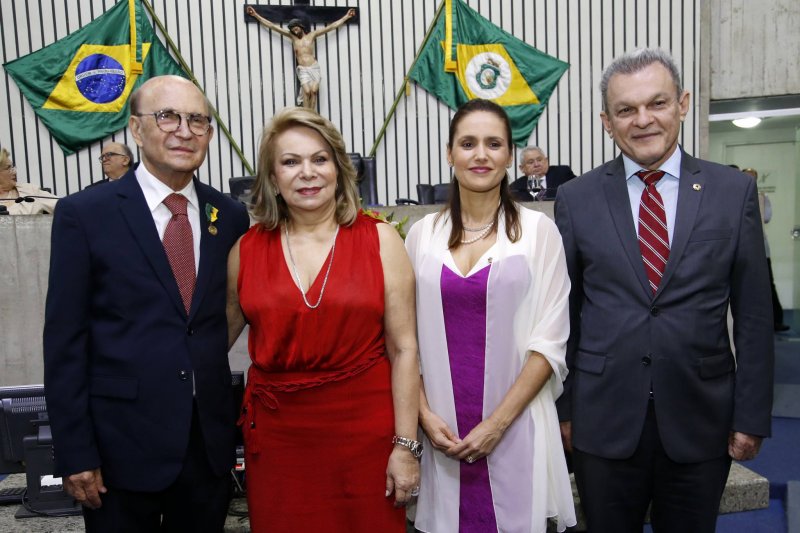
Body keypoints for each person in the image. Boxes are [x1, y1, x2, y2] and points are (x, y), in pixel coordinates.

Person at [554, 48, 774, 533]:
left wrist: (751, 415)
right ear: (606, 122)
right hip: (602, 420)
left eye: (657, 103)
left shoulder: (731, 192)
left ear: (683, 103)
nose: (643, 120)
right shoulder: (576, 199)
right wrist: (564, 411)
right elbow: (563, 314)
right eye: (626, 110)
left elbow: (755, 313)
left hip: (701, 418)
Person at [43, 75, 250, 532]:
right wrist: (76, 452)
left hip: (206, 448)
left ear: (210, 134)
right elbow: (65, 342)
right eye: (167, 116)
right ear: (136, 130)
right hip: (119, 450)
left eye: (198, 120)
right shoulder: (85, 214)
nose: (184, 130)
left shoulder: (230, 216)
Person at [226, 106, 420, 532]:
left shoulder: (380, 240)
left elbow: (404, 349)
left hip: (365, 433)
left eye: (319, 159)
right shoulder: (246, 251)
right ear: (272, 178)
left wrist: (406, 447)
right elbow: (207, 343)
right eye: (291, 162)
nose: (307, 173)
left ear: (338, 168)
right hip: (278, 440)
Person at [405, 99, 576, 533]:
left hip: (514, 427)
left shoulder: (539, 233)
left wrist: (495, 426)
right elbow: (402, 341)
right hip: (442, 434)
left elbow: (550, 341)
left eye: (493, 143)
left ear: (509, 155)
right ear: (450, 154)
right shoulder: (422, 237)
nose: (480, 154)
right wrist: (423, 415)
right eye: (468, 143)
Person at [246, 6, 356, 110]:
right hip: (303, 69)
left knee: (313, 91)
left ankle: (312, 115)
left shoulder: (312, 35)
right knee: (307, 92)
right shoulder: (293, 38)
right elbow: (272, 26)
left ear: (301, 26)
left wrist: (347, 16)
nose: (295, 30)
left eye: (296, 28)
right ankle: (306, 113)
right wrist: (256, 15)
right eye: (293, 29)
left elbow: (331, 27)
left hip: (314, 67)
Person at [742, 167, 790, 332]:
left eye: (752, 177)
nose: (750, 180)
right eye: (746, 177)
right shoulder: (733, 195)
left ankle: (776, 320)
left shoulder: (762, 198)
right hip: (740, 249)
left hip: (761, 248)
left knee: (767, 284)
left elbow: (767, 217)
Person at [0, 148, 58, 214]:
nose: (15, 172)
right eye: (8, 168)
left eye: (12, 167)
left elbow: (64, 206)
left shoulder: (30, 191)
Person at [509, 146, 575, 201]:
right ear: (522, 168)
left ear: (546, 161)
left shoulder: (562, 173)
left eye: (539, 160)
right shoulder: (515, 188)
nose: (536, 164)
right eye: (531, 162)